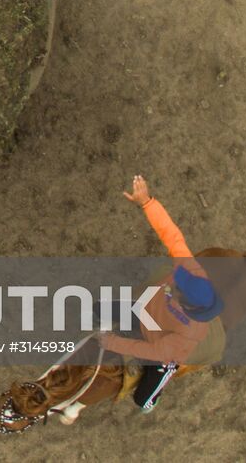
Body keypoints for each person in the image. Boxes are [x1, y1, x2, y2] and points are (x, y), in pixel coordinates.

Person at [98, 174, 224, 413]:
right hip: (146, 313)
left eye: (178, 289)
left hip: (161, 350)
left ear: (187, 306)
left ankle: (156, 392)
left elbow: (151, 350)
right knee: (97, 308)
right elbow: (172, 235)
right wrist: (147, 202)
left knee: (142, 400)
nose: (175, 282)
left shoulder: (188, 334)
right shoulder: (188, 268)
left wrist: (112, 342)